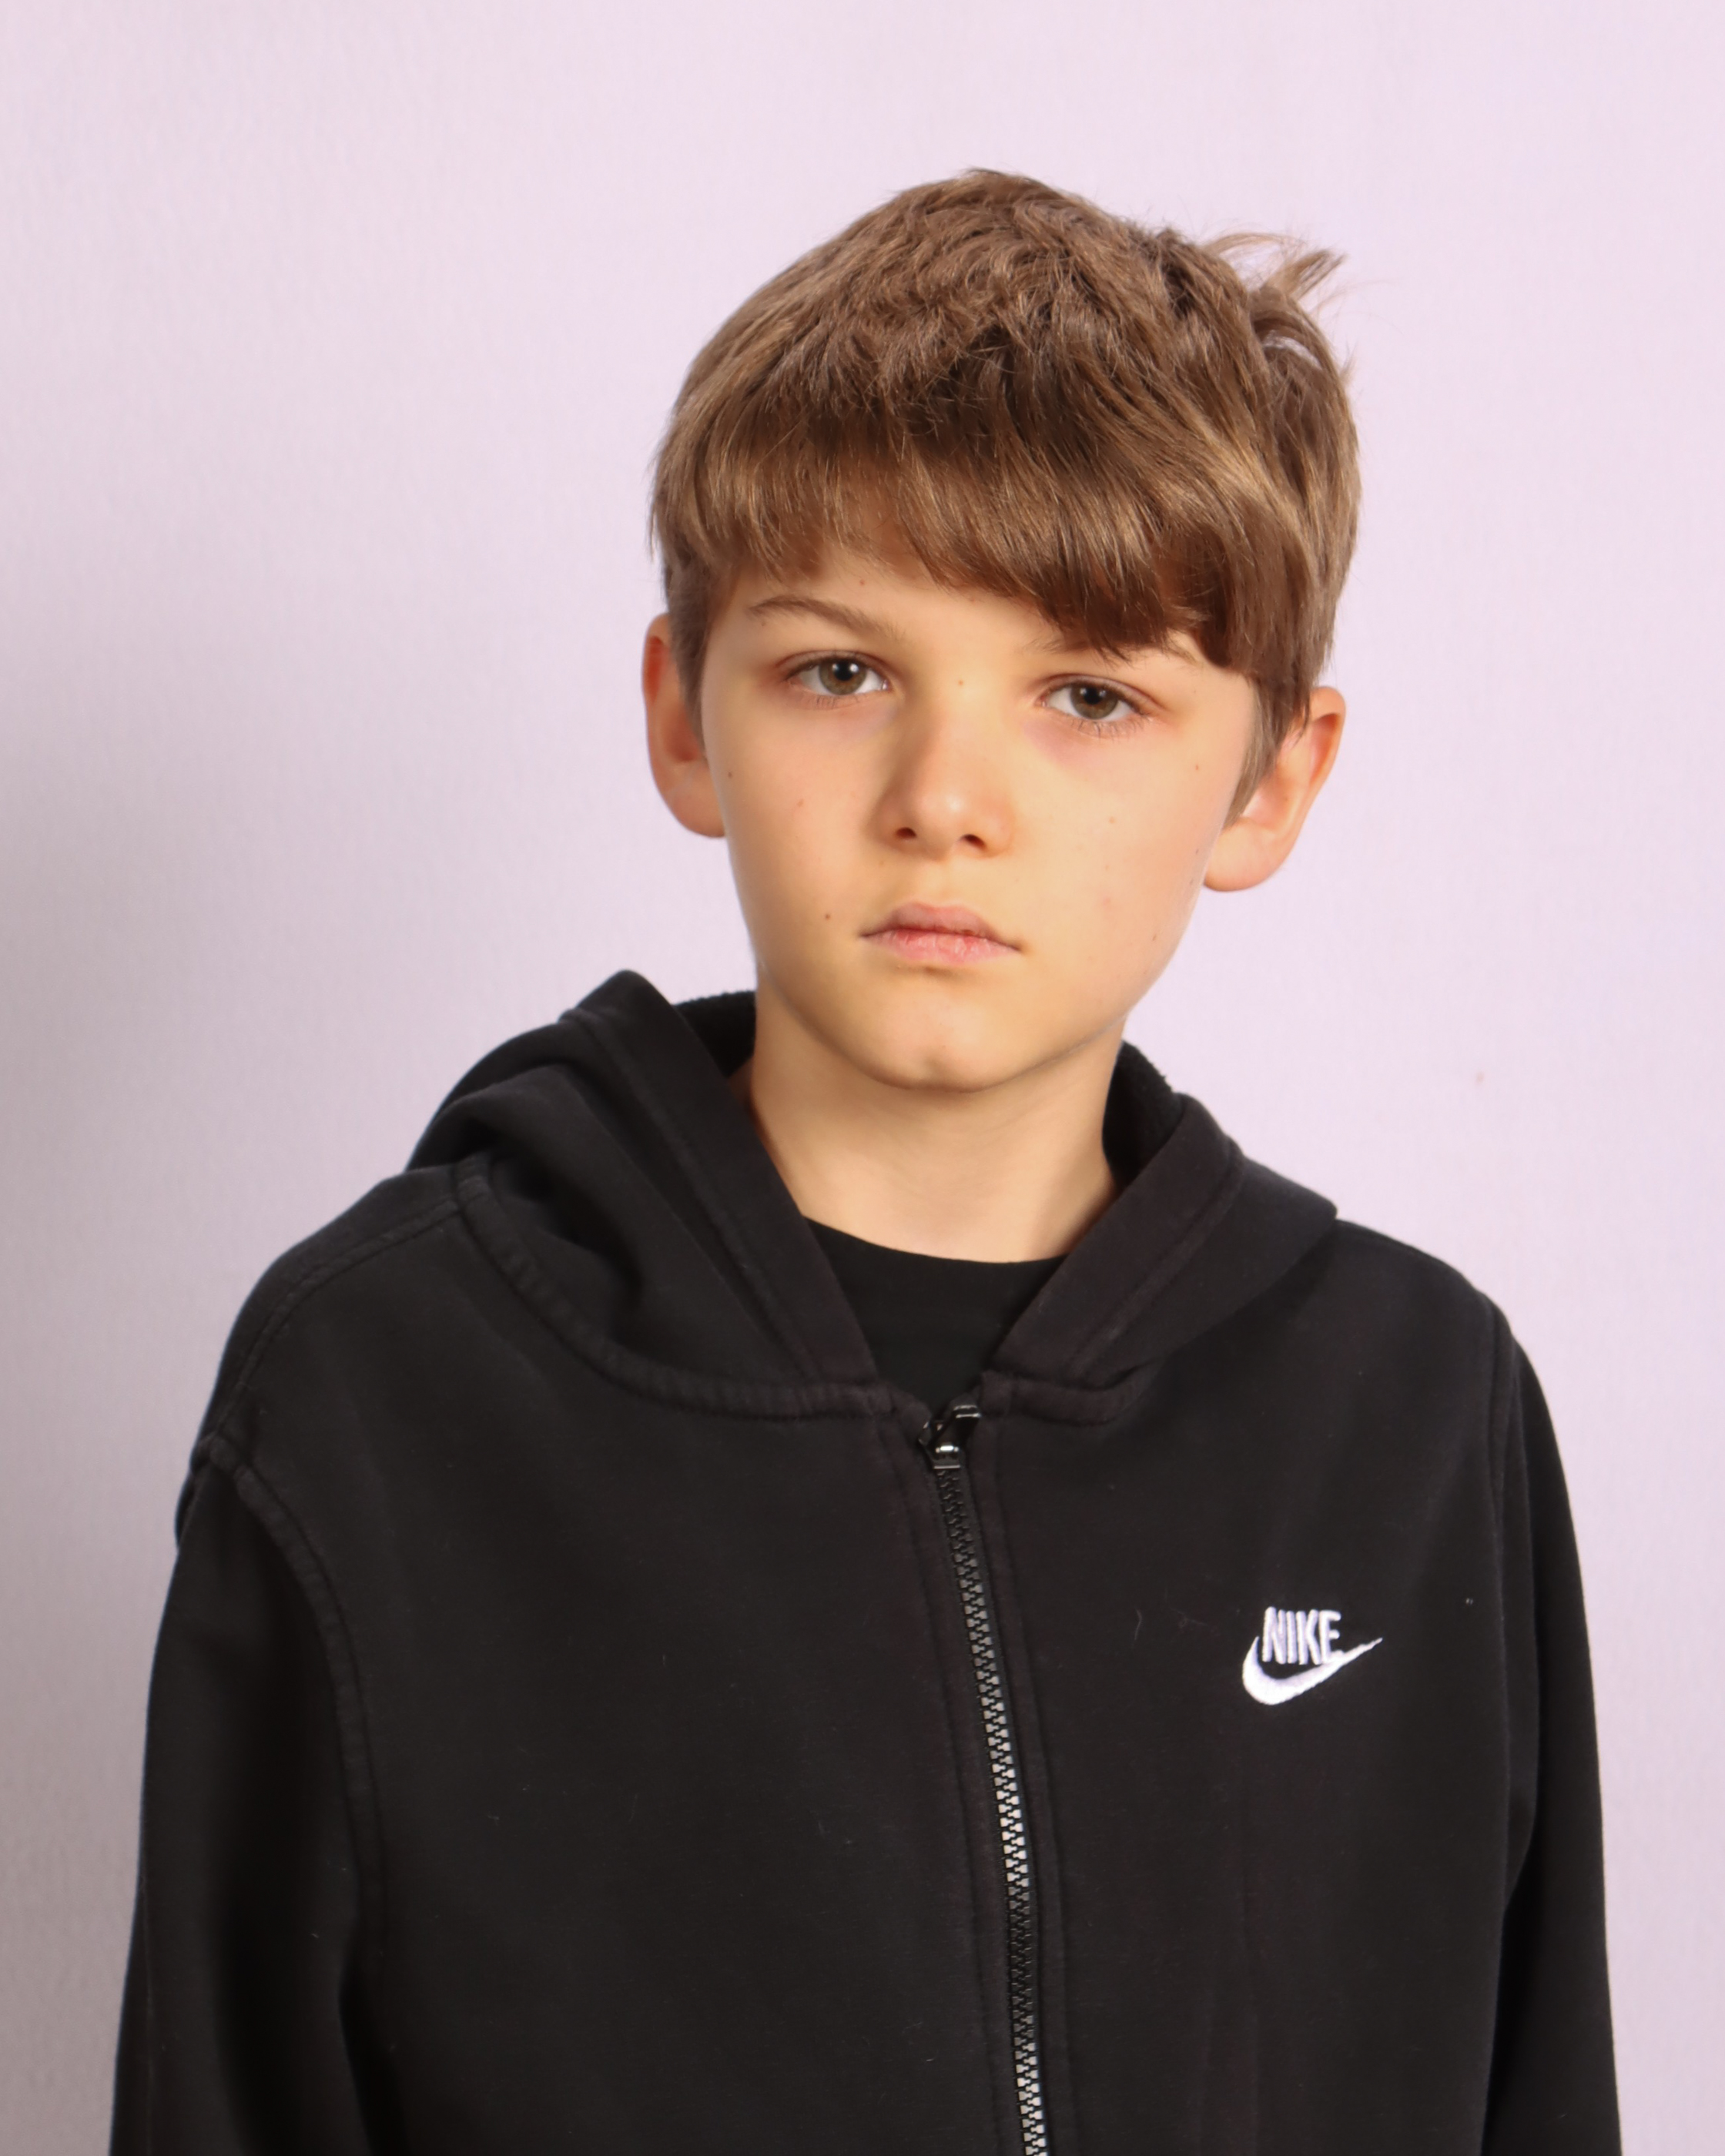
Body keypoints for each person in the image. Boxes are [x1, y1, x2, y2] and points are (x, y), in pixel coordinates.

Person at [112, 172, 1618, 2154]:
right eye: (840, 672)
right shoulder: (386, 1388)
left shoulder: (1415, 1410)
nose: (944, 800)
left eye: (1090, 694)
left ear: (1271, 778)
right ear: (684, 715)